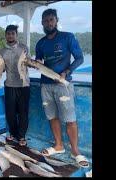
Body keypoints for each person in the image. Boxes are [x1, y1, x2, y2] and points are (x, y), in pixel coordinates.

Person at [35, 9, 89, 167]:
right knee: (52, 116)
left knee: (70, 119)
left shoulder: (67, 37)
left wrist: (67, 71)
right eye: (45, 21)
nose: (48, 23)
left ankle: (75, 151)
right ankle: (58, 146)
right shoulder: (41, 43)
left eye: (51, 20)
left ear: (56, 20)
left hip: (63, 84)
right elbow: (40, 61)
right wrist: (34, 62)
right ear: (42, 23)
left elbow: (80, 58)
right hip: (45, 84)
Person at [0, 25, 30, 146]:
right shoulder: (1, 52)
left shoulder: (24, 48)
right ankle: (12, 132)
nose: (10, 36)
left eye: (12, 33)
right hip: (9, 85)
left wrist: (34, 63)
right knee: (10, 112)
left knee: (23, 112)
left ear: (16, 35)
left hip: (23, 85)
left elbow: (28, 63)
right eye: (8, 33)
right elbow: (2, 70)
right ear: (5, 35)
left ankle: (21, 136)